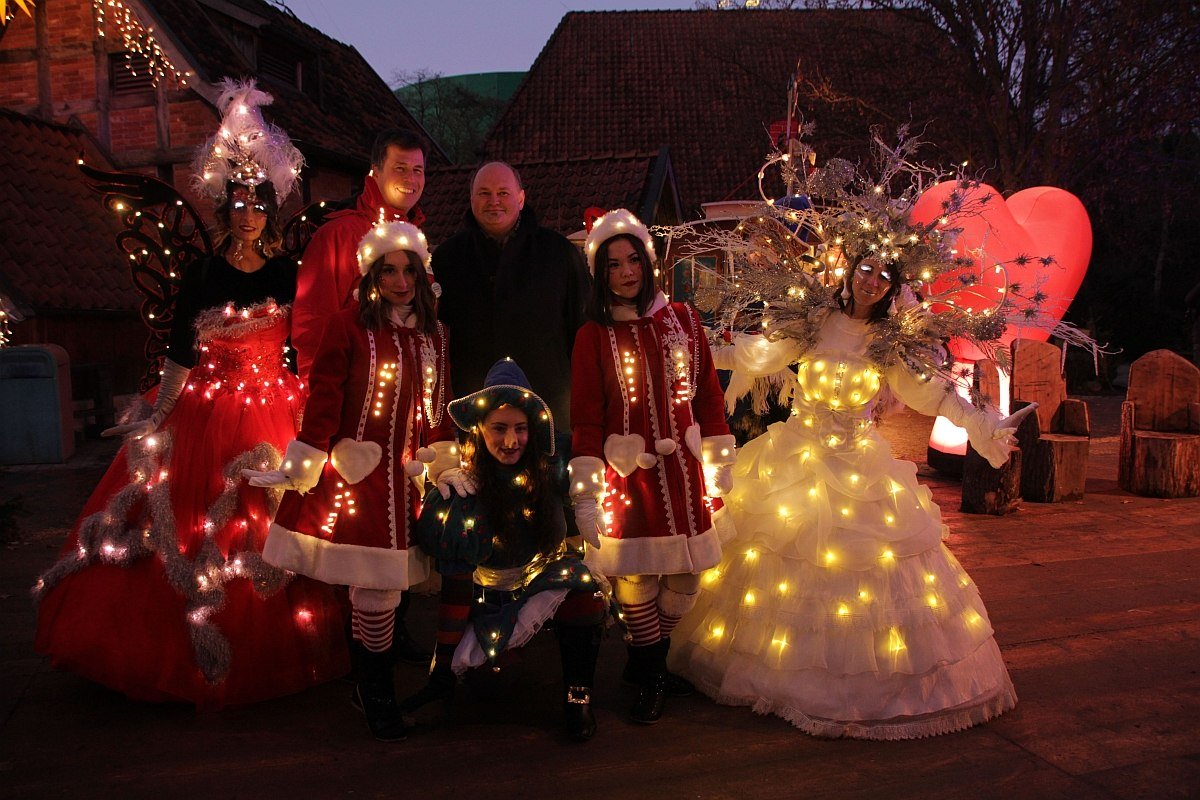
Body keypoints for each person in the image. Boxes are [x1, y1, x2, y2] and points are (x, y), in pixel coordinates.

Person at [33, 80, 347, 708]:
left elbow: (308, 346)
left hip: (274, 412)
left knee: (282, 527)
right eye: (239, 203)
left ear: (270, 210)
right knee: (178, 529)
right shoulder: (203, 273)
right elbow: (180, 352)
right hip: (205, 410)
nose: (249, 214)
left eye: (259, 203)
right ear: (225, 206)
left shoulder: (290, 273)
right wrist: (155, 416)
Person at [671, 244, 1037, 739]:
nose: (872, 280)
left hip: (856, 462)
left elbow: (928, 392)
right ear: (851, 269)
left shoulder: (890, 341)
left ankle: (849, 688)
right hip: (796, 457)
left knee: (866, 570)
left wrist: (980, 423)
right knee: (775, 555)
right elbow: (758, 354)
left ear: (893, 286)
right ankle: (773, 676)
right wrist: (690, 343)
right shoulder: (814, 318)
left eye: (884, 275)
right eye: (866, 268)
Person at [248, 221, 456, 742]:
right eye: (390, 270)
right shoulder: (347, 327)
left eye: (409, 270)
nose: (401, 281)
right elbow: (324, 404)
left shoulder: (435, 334)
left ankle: (369, 688)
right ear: (372, 274)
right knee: (375, 592)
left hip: (407, 482)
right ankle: (378, 697)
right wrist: (305, 463)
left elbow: (438, 412)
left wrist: (446, 462)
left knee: (385, 592)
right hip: (358, 480)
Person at [569, 209, 736, 724]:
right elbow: (587, 420)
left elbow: (708, 395)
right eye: (614, 264)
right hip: (629, 477)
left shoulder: (684, 320)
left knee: (685, 578)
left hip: (685, 474)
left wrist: (717, 460)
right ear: (601, 274)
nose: (626, 272)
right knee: (637, 579)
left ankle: (648, 663)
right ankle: (650, 671)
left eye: (633, 260)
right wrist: (585, 492)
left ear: (647, 262)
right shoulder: (593, 336)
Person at [405, 358, 608, 742]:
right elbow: (455, 585)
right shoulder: (464, 488)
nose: (511, 441)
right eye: (499, 429)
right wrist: (443, 668)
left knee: (586, 593)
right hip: (489, 596)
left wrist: (588, 497)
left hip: (545, 575)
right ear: (479, 429)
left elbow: (594, 441)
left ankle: (578, 697)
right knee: (492, 689)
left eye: (520, 428)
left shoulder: (553, 461)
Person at [290, 128, 432, 665]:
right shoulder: (340, 236)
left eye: (419, 171)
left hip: (404, 419)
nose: (412, 180)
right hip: (350, 419)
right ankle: (361, 651)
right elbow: (311, 323)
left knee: (399, 527)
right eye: (401, 168)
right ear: (375, 172)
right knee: (351, 529)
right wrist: (315, 407)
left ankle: (389, 633)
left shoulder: (416, 241)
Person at [432, 161, 589, 432]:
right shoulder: (447, 259)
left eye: (503, 193)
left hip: (548, 413)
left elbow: (582, 329)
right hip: (473, 416)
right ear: (471, 200)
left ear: (521, 198)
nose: (494, 201)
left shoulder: (559, 254)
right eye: (484, 193)